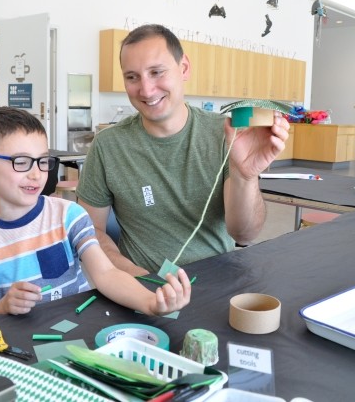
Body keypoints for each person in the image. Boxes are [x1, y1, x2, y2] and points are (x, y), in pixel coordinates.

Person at [76, 24, 291, 276]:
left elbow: (244, 233)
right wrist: (140, 281)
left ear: (184, 68)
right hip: (141, 287)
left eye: (156, 72)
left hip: (216, 282)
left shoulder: (226, 134)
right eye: (132, 77)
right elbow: (90, 233)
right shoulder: (108, 145)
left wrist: (245, 176)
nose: (146, 90)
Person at [0, 106, 190, 317]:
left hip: (79, 330)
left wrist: (150, 302)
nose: (36, 174)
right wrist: (4, 306)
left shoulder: (68, 215)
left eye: (42, 161)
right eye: (20, 162)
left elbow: (106, 274)